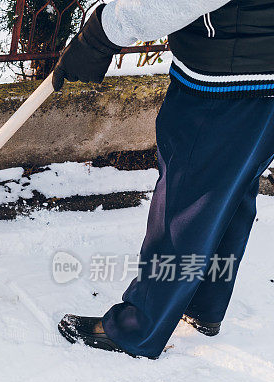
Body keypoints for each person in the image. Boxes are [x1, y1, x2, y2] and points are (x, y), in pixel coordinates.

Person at [53, 0, 274, 358]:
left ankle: (137, 329)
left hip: (226, 76)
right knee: (229, 190)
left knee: (184, 203)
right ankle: (203, 304)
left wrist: (101, 34)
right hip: (259, 71)